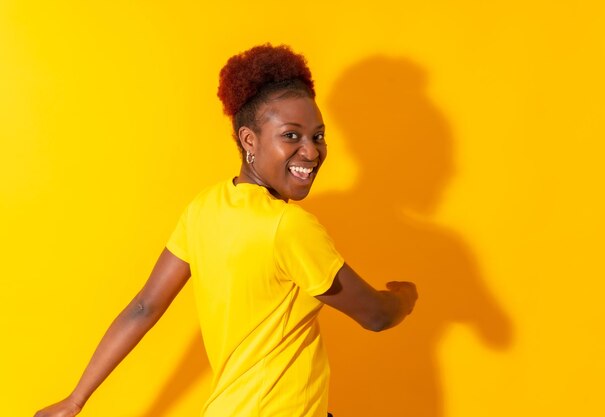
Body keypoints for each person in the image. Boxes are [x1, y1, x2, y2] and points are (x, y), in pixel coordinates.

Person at [34, 44, 418, 417]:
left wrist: (75, 399)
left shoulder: (205, 207)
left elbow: (144, 306)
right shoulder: (288, 226)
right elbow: (375, 316)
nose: (312, 151)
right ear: (249, 140)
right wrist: (402, 296)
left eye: (317, 136)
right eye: (291, 135)